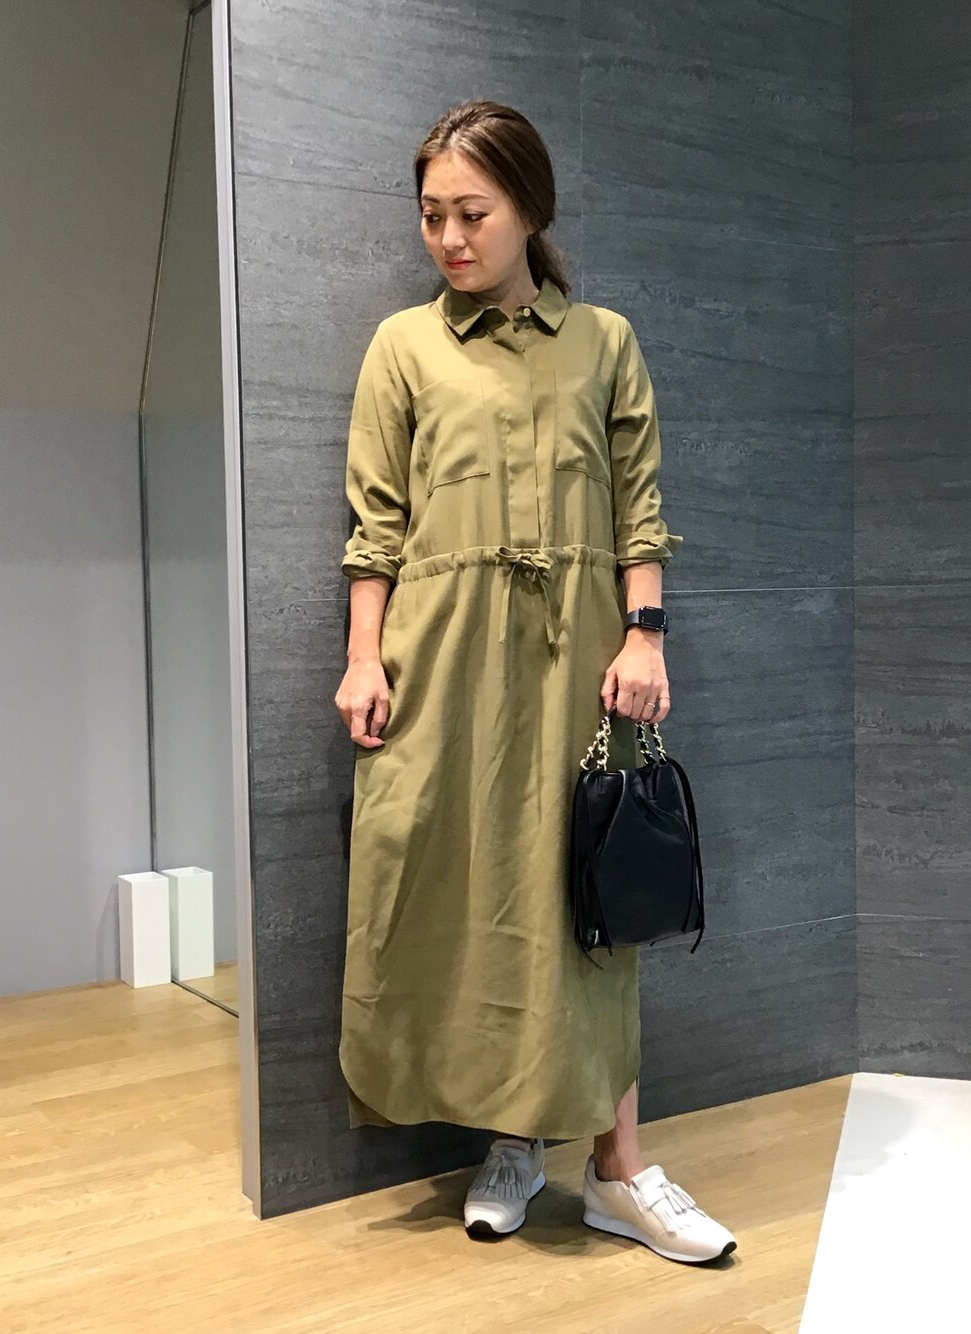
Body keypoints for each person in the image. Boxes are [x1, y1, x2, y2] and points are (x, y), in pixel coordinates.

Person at [333, 100, 736, 1265]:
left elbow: (638, 505)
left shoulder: (603, 341)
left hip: (581, 656)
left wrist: (644, 633)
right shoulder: (403, 346)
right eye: (431, 216)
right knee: (470, 885)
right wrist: (363, 653)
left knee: (586, 894)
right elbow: (375, 523)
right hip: (442, 652)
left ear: (529, 209)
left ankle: (618, 1166)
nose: (449, 238)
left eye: (472, 212)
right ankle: (513, 1142)